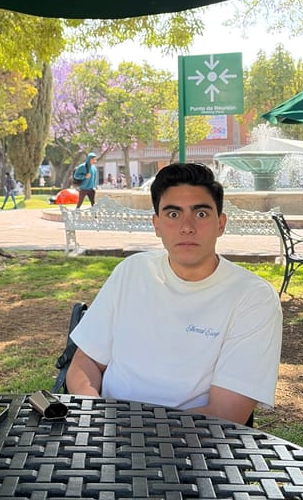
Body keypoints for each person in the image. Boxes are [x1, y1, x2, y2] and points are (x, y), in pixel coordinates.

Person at [66, 162, 282, 423]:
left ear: (221, 223)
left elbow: (227, 413)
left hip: (194, 445)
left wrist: (130, 432)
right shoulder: (133, 271)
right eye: (172, 214)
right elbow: (85, 362)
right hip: (106, 433)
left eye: (201, 214)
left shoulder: (252, 297)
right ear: (156, 224)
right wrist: (93, 415)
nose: (187, 227)